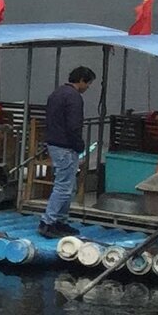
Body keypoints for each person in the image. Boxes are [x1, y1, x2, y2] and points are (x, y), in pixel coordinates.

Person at [39, 66, 96, 236]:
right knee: (63, 186)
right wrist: (79, 145)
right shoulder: (74, 98)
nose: (88, 87)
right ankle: (48, 221)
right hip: (66, 146)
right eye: (88, 83)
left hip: (54, 143)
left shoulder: (56, 93)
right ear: (81, 80)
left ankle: (60, 221)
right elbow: (74, 125)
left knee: (67, 184)